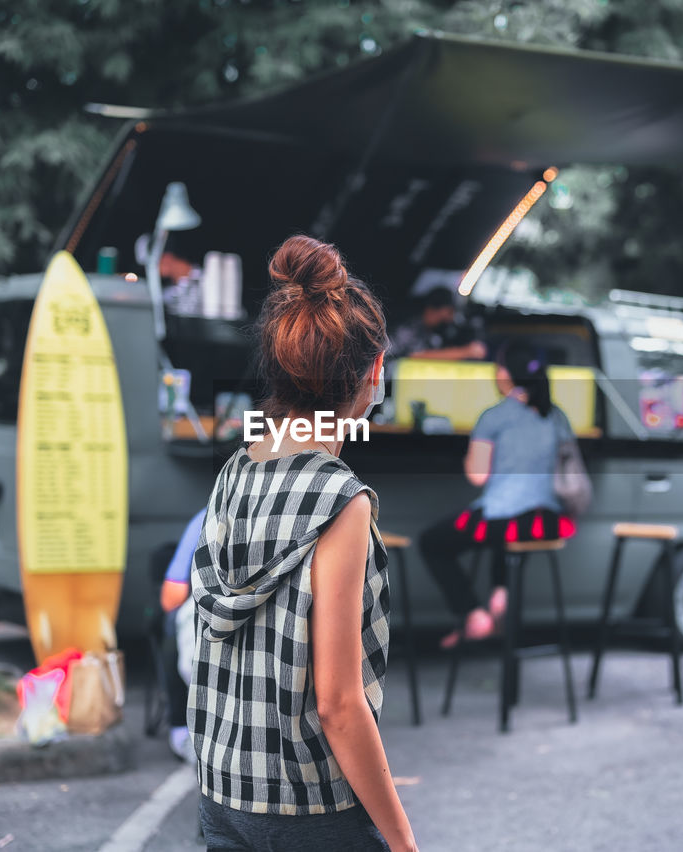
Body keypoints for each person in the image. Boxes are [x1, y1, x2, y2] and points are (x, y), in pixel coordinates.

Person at [184, 235, 417, 852]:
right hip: (309, 808)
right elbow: (339, 705)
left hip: (223, 796)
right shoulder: (342, 503)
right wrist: (403, 843)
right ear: (371, 374)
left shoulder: (233, 476)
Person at [419, 343, 577, 649]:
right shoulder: (557, 417)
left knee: (434, 541)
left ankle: (473, 613)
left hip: (503, 517)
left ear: (506, 375)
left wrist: (469, 457)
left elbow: (478, 476)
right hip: (548, 518)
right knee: (510, 532)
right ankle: (501, 594)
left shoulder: (494, 416)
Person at [157, 507, 206, 761]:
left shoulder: (213, 512)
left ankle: (180, 723)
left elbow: (171, 597)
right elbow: (171, 596)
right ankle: (180, 723)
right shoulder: (210, 515)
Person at [389, 285, 486, 361]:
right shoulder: (409, 327)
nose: (450, 318)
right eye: (449, 312)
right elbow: (416, 356)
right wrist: (465, 352)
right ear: (431, 309)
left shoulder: (432, 333)